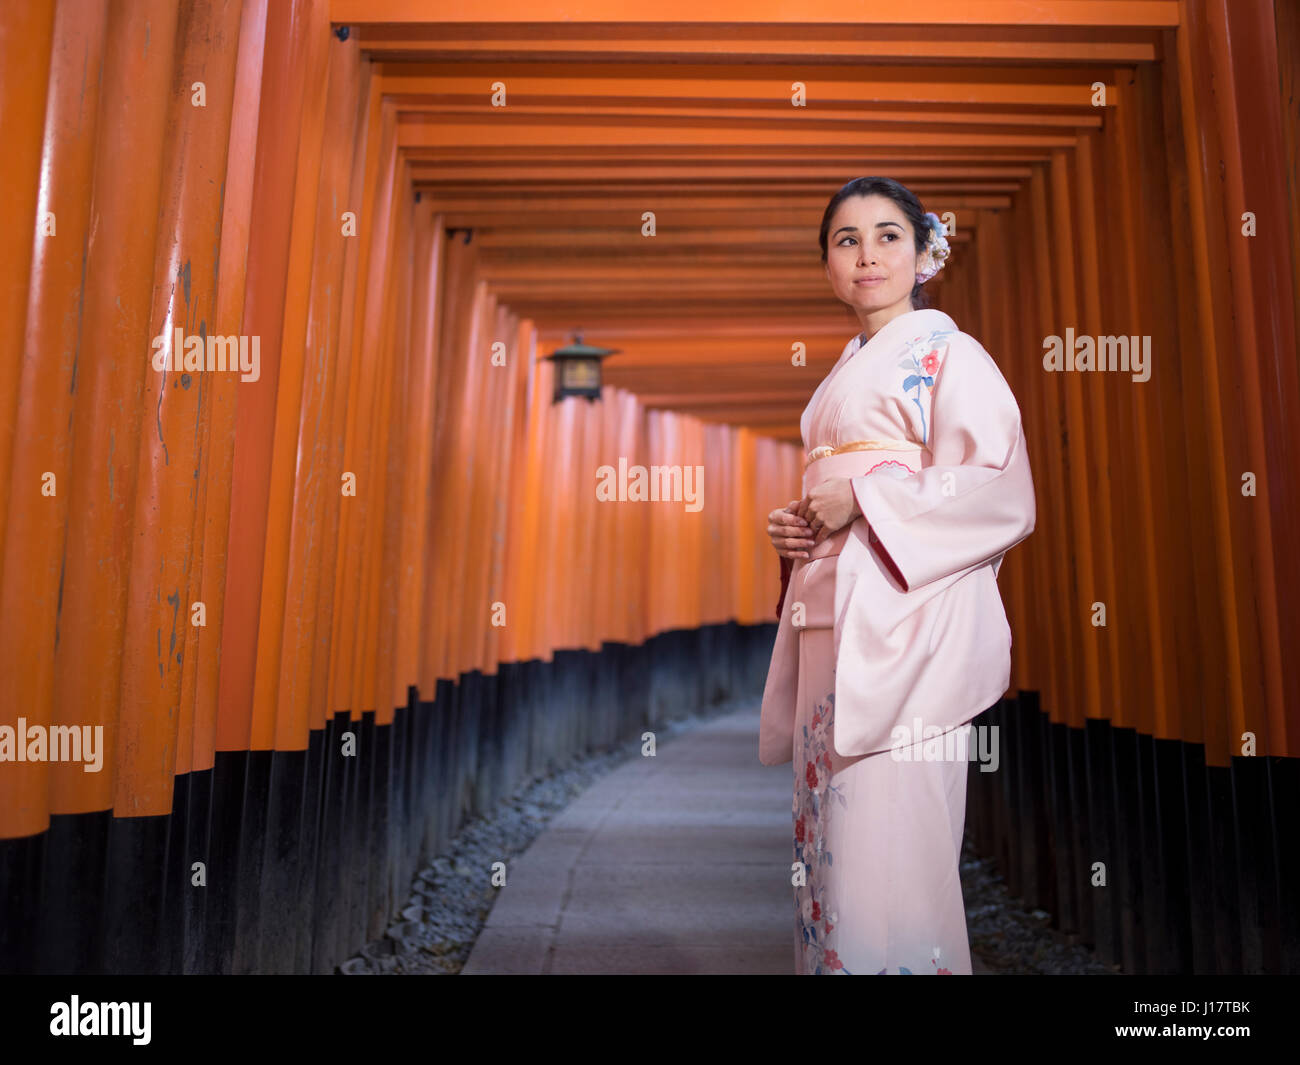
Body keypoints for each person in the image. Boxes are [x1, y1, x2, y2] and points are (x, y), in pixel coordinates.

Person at [759, 176, 1036, 975]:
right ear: (828, 265)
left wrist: (867, 498)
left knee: (893, 840)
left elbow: (998, 488)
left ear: (923, 254)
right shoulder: (842, 377)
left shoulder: (953, 356)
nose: (868, 254)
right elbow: (838, 496)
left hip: (908, 631)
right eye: (847, 240)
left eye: (887, 235)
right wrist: (799, 527)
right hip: (835, 626)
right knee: (835, 838)